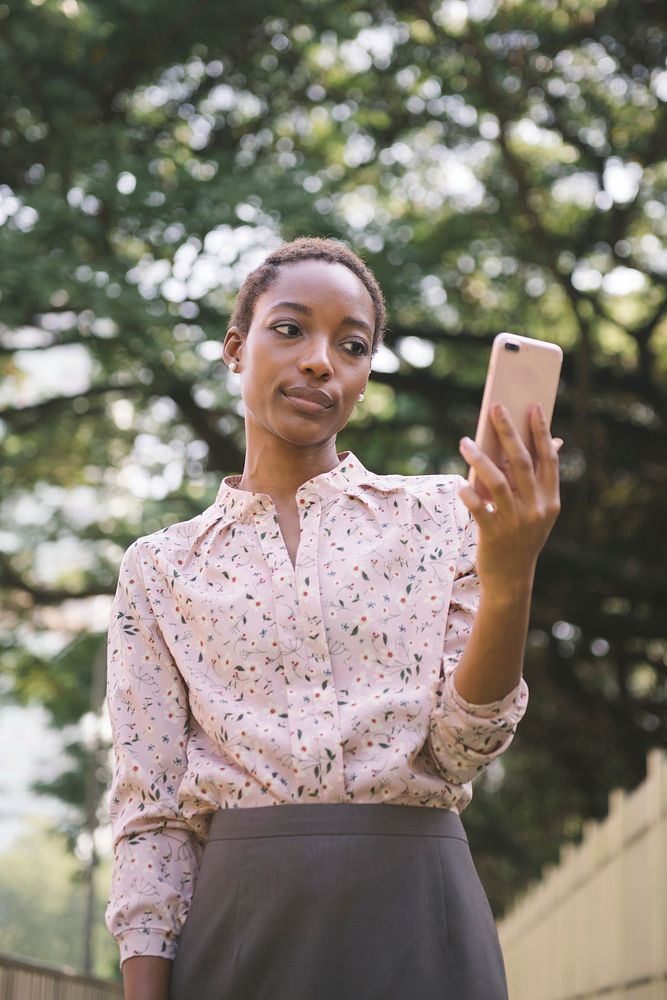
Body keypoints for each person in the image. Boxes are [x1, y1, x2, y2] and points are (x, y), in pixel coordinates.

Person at [105, 236, 562, 1000]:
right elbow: (148, 817)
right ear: (233, 348)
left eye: (352, 345)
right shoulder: (159, 567)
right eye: (289, 329)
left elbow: (463, 746)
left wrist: (510, 577)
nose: (321, 360)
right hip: (240, 924)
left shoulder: (444, 517)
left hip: (421, 910)